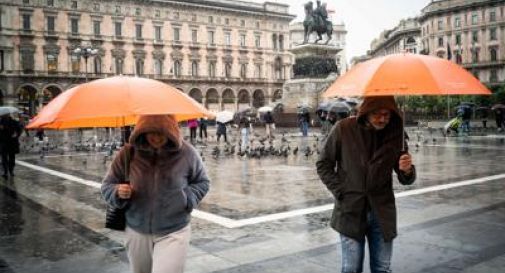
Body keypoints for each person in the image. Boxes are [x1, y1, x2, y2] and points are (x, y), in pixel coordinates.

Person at [316, 96, 416, 273]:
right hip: (351, 210)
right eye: (377, 114)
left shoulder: (396, 134)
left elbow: (405, 177)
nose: (383, 119)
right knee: (351, 268)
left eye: (387, 114)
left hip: (382, 211)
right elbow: (323, 164)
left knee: (382, 267)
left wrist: (407, 170)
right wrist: (341, 192)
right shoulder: (344, 129)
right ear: (366, 112)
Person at [101, 114, 210, 273]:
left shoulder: (187, 153)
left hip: (174, 230)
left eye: (161, 133)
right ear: (142, 131)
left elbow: (203, 182)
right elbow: (107, 186)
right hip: (137, 229)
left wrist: (187, 198)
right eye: (151, 132)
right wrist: (117, 191)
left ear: (171, 131)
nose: (156, 138)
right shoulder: (127, 154)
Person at [0, 115, 22, 179]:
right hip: (4, 142)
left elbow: (19, 130)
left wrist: (16, 134)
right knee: (4, 158)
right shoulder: (0, 122)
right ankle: (6, 171)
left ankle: (11, 170)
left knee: (11, 157)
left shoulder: (14, 122)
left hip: (12, 142)